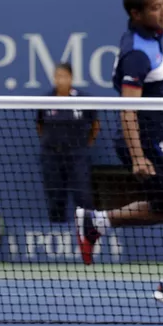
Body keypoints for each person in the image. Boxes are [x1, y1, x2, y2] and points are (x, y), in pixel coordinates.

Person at [75, 0, 163, 306]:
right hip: (150, 139)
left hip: (153, 137)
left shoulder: (145, 37)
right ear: (136, 14)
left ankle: (97, 221)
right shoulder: (136, 54)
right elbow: (128, 107)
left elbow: (156, 61)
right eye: (155, 7)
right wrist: (138, 156)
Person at [36, 63, 99, 224]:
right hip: (52, 156)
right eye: (57, 76)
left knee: (83, 197)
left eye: (64, 76)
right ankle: (59, 233)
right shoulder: (46, 100)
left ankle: (88, 232)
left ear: (71, 78)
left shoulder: (83, 99)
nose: (60, 80)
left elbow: (95, 125)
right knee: (55, 198)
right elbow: (40, 125)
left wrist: (85, 145)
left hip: (77, 155)